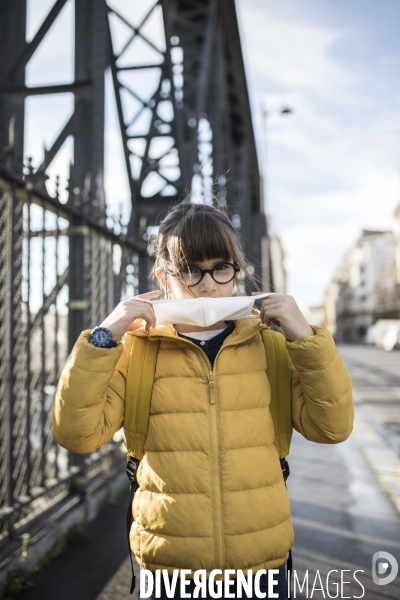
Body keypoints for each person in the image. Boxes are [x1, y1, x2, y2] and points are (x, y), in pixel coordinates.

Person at [52, 201, 354, 600]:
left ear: (237, 271)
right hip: (168, 568)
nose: (208, 284)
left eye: (220, 268)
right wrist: (105, 336)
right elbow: (77, 434)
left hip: (261, 566)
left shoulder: (271, 347)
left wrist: (305, 339)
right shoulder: (136, 352)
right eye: (190, 270)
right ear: (164, 277)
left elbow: (333, 427)